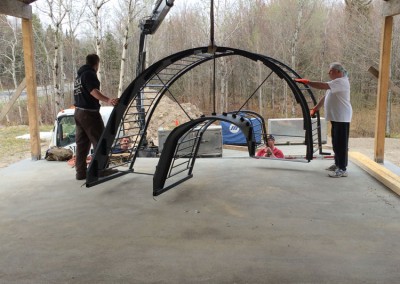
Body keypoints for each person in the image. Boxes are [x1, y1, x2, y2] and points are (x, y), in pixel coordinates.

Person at [295, 62, 352, 178]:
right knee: (336, 143)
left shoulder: (341, 81)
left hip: (342, 118)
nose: (328, 73)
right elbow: (326, 96)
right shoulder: (335, 84)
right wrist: (316, 108)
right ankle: (337, 164)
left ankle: (342, 169)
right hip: (336, 117)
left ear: (338, 72)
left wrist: (308, 82)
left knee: (341, 144)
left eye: (330, 71)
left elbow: (322, 86)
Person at [73, 54, 119, 180]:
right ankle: (101, 170)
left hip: (78, 113)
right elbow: (93, 91)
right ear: (96, 63)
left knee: (82, 145)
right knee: (100, 141)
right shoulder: (89, 74)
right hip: (89, 114)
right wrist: (108, 100)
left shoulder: (79, 77)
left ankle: (80, 173)